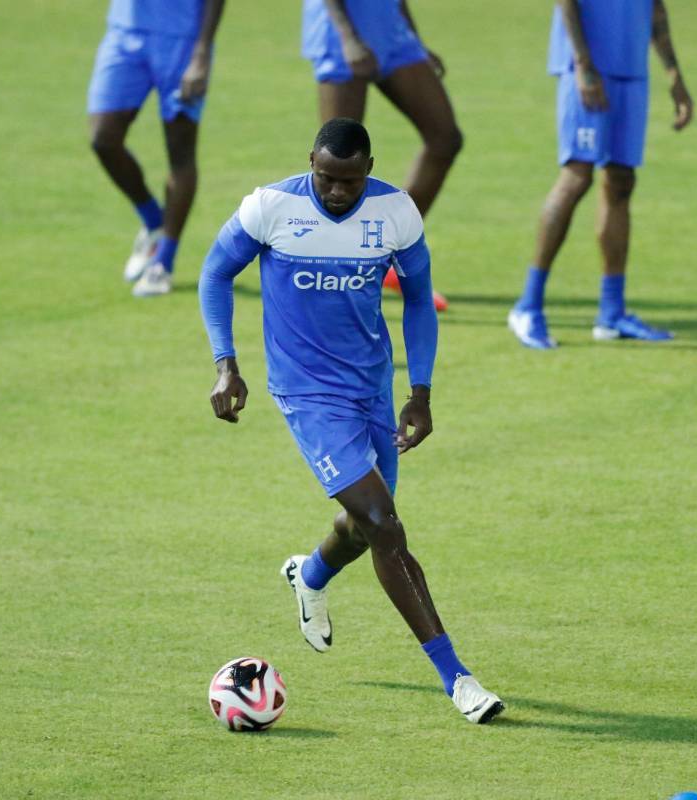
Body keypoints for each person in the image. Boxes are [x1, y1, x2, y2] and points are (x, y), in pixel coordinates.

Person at [198, 118, 503, 724]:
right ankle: (458, 679)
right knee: (386, 525)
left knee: (364, 528)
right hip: (308, 396)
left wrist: (421, 392)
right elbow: (214, 273)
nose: (338, 192)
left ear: (370, 168)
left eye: (351, 181)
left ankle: (308, 574)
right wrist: (225, 364)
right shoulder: (271, 208)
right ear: (310, 159)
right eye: (327, 178)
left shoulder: (396, 212)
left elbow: (419, 297)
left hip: (373, 388)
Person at [508, 0, 694, 349]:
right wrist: (582, 63)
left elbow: (655, 8)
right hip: (588, 67)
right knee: (577, 176)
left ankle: (612, 313)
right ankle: (528, 306)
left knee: (621, 182)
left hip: (631, 68)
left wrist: (674, 75)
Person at [302, 0, 459, 312]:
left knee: (445, 139)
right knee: (338, 162)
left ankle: (385, 254)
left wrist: (415, 38)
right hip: (340, 32)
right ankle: (327, 283)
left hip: (390, 30)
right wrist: (349, 37)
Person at [87, 0, 226, 297]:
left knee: (180, 151)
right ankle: (153, 221)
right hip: (125, 30)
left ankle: (163, 262)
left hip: (182, 39)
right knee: (103, 138)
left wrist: (202, 53)